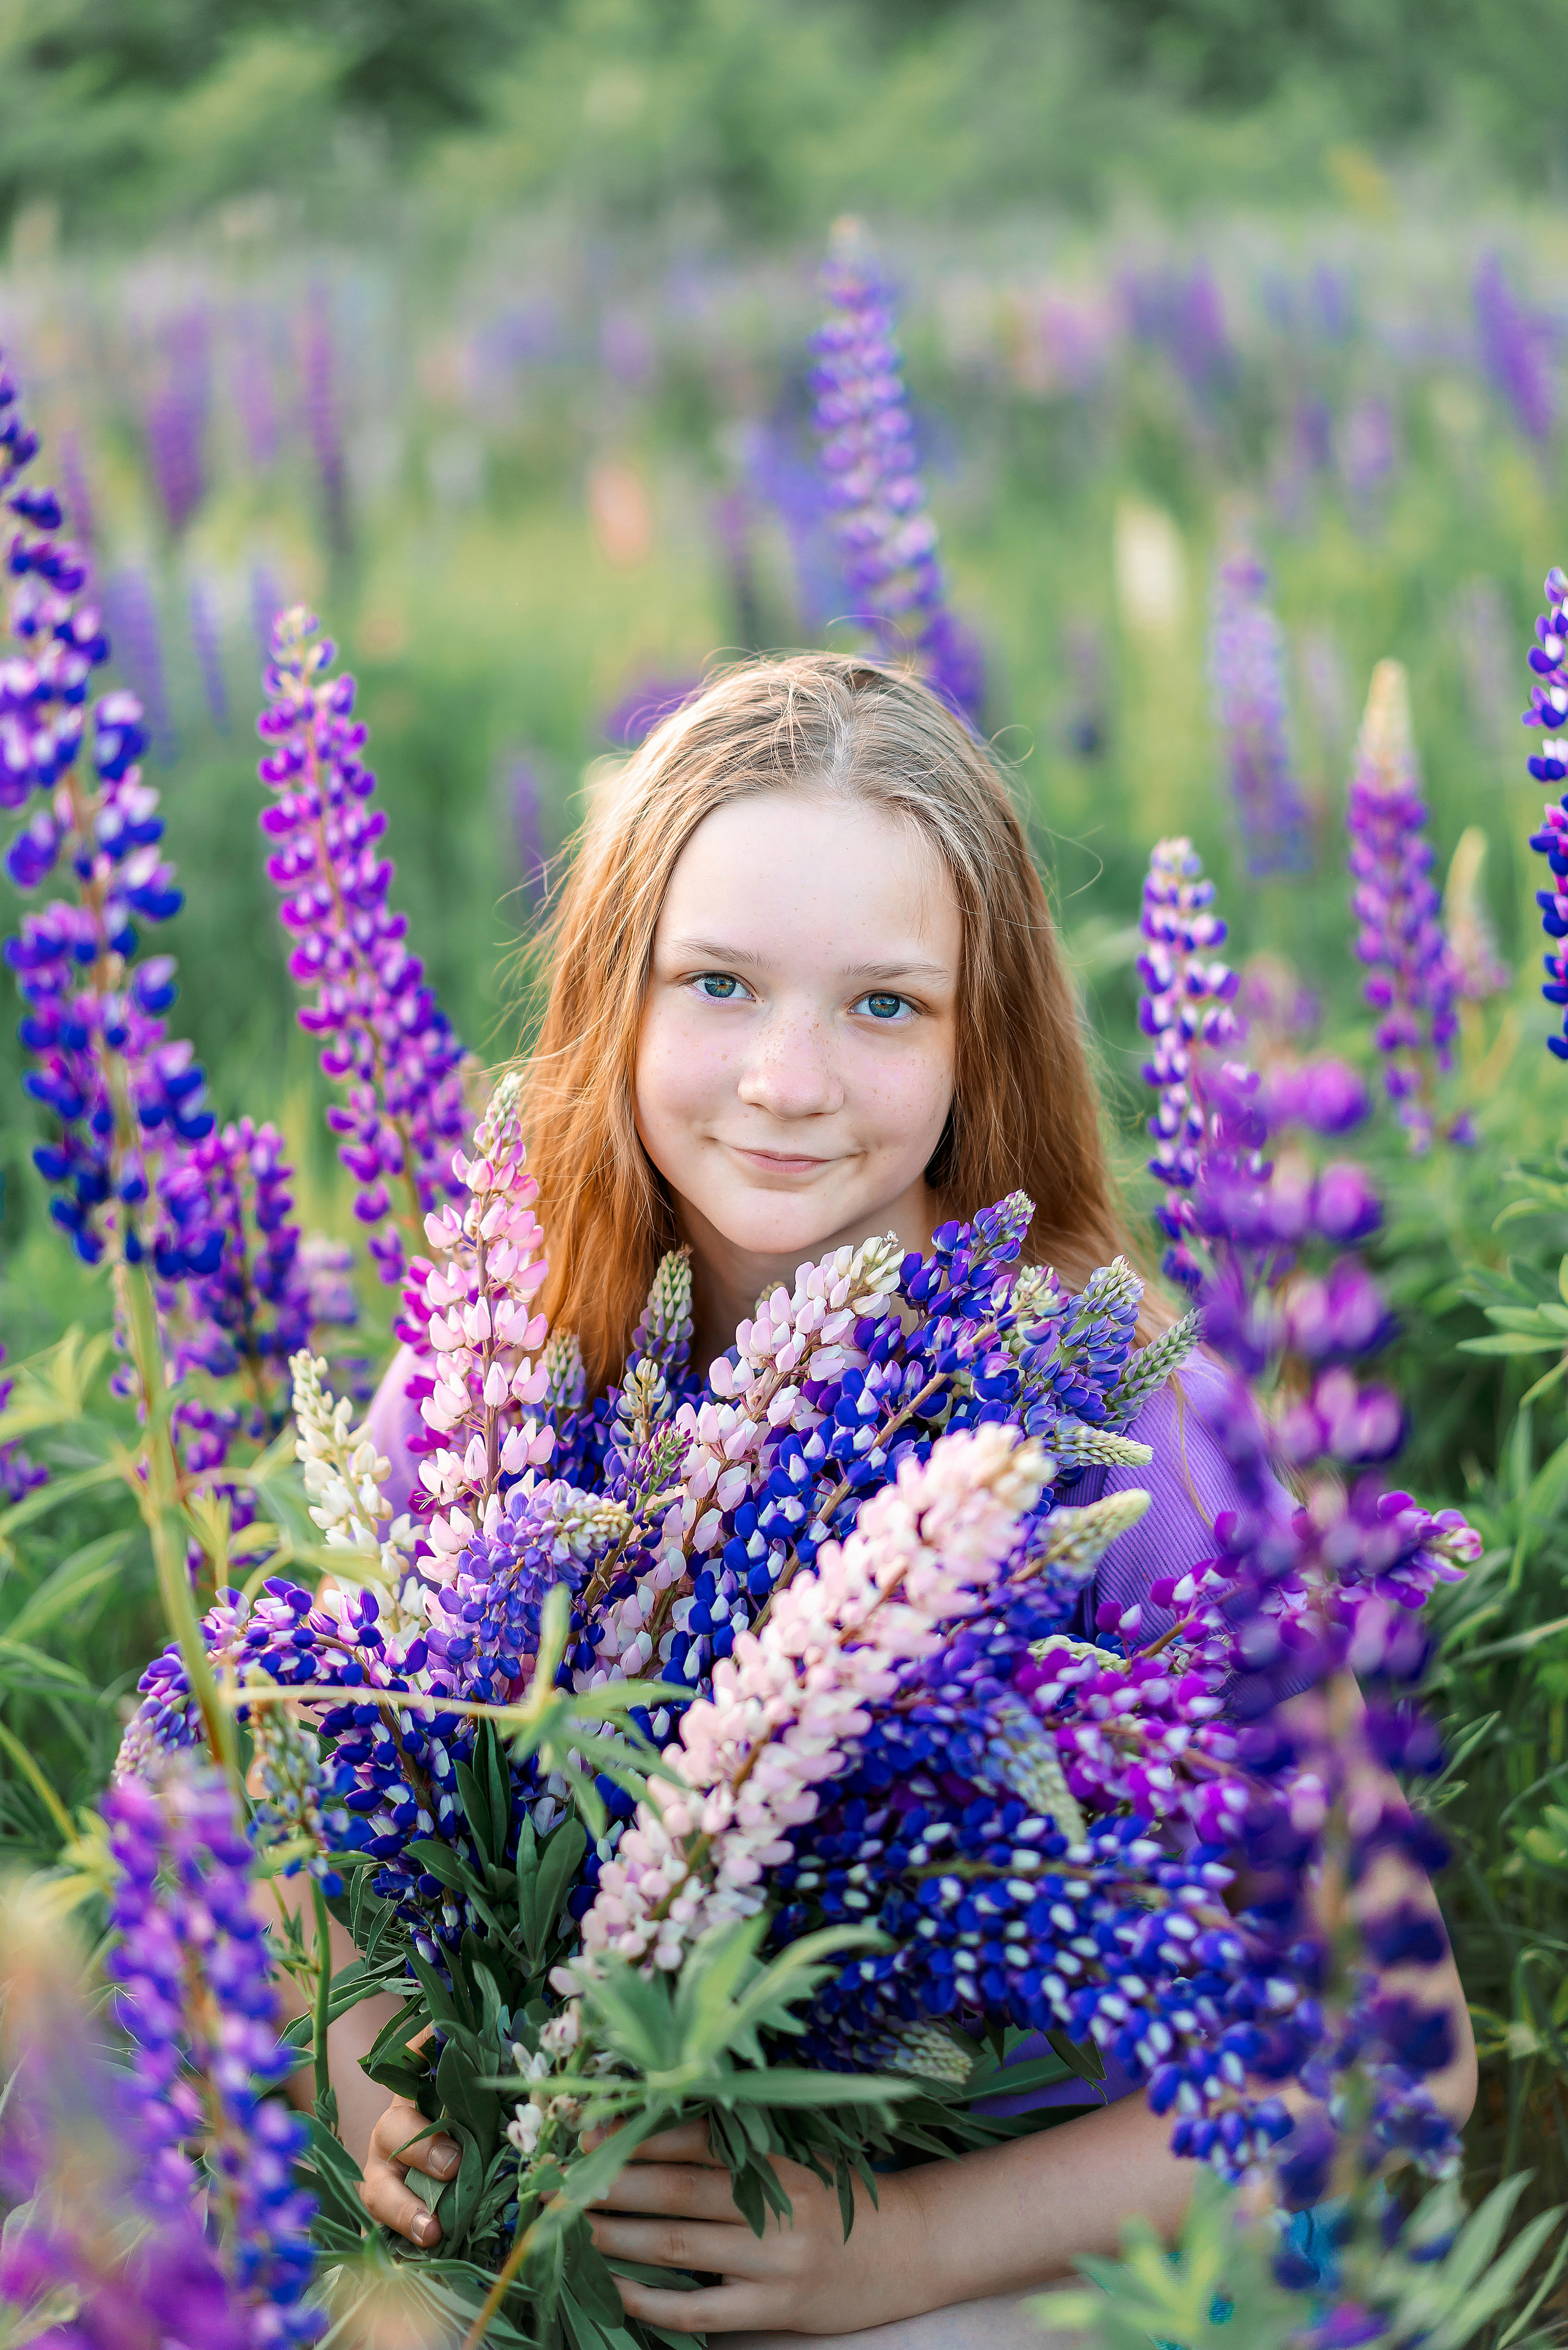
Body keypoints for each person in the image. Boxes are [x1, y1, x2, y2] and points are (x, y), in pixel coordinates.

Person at [292, 655, 1476, 2346]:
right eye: (715, 985)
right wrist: (369, 2057)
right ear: (611, 994)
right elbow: (346, 1820)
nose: (786, 1079)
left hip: (1059, 2242)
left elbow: (1399, 2035)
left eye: (883, 1005)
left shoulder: (1104, 1420)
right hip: (581, 2226)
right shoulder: (500, 1358)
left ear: (979, 1041)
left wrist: (905, 2251)